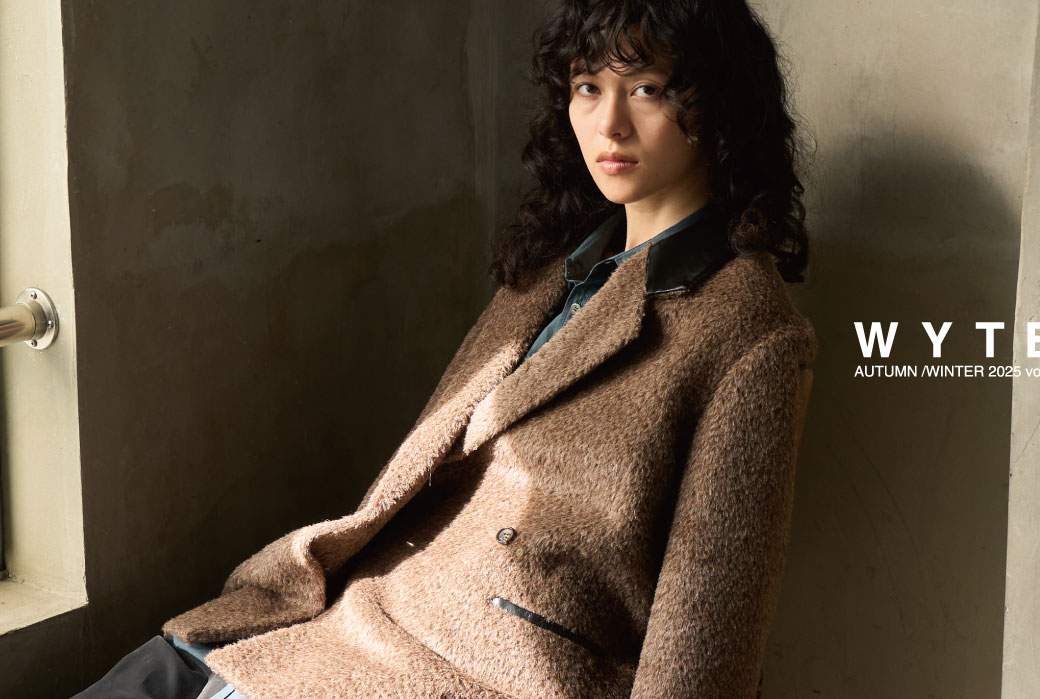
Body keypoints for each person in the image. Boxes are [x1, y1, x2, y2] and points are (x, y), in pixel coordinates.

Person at [74, 0, 815, 696]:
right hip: (357, 607)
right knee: (145, 673)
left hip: (488, 667)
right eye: (588, 87)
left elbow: (706, 637)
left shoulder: (751, 333)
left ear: (718, 104)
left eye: (647, 89)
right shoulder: (550, 267)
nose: (609, 124)